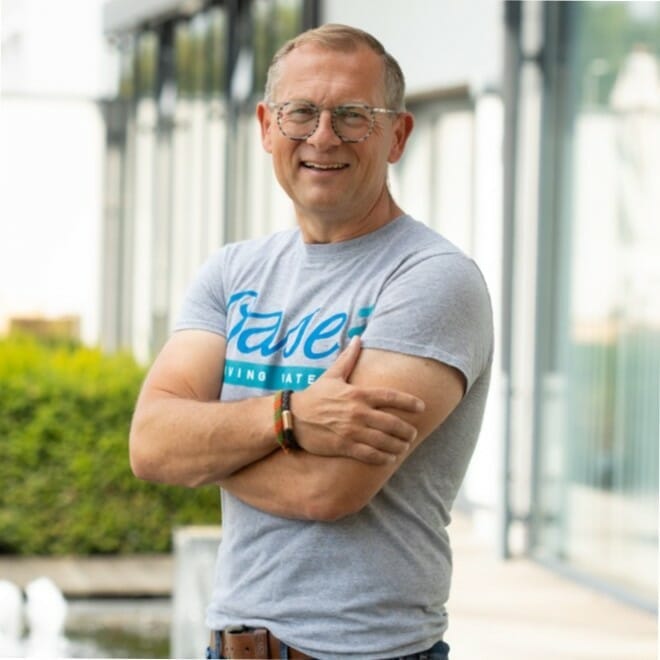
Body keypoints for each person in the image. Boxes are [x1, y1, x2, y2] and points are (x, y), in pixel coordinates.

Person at [129, 23, 493, 660]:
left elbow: (326, 490)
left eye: (354, 115)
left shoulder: (433, 280)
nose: (322, 137)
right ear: (268, 126)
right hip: (228, 646)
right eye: (301, 112)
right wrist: (288, 415)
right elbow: (150, 445)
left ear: (397, 135)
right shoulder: (232, 272)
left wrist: (203, 450)